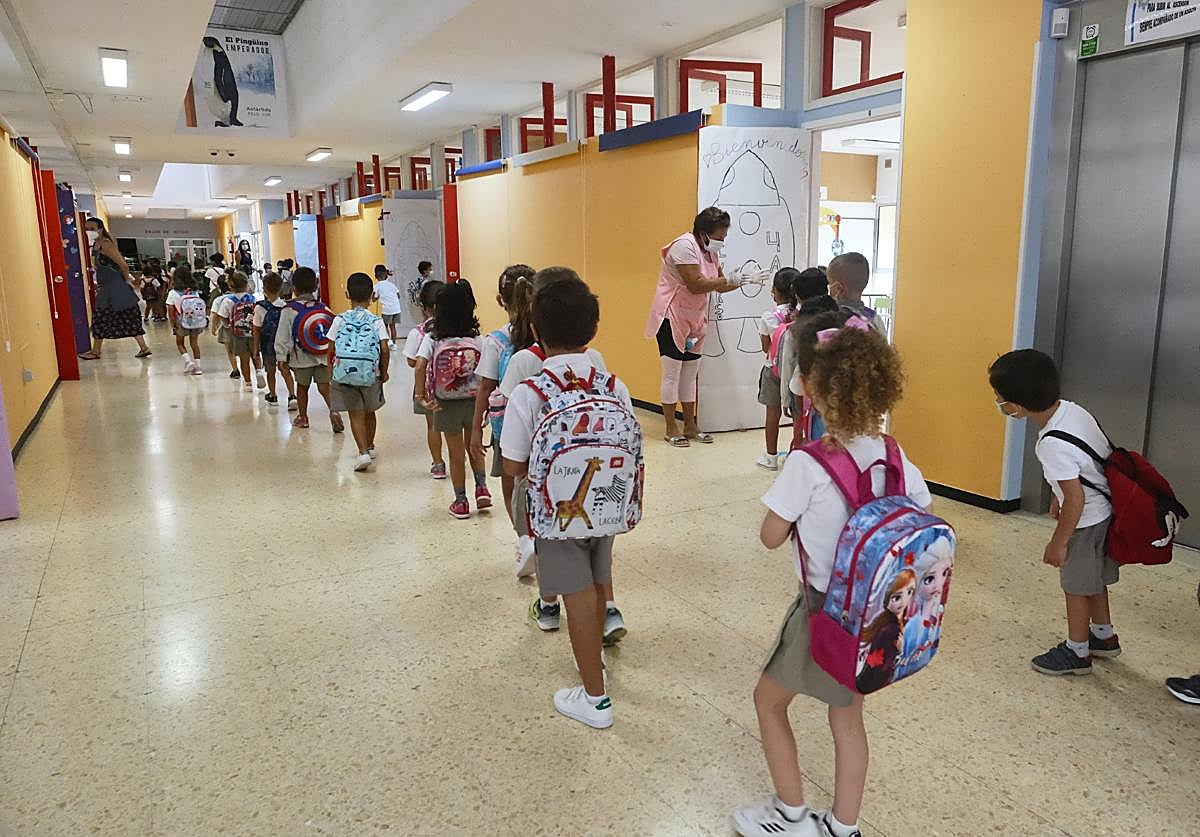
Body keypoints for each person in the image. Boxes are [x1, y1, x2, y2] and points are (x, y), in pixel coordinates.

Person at [734, 310, 930, 837]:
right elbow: (921, 512)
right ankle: (843, 827)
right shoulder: (895, 455)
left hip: (824, 612)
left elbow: (771, 536)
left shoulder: (809, 463)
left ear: (814, 393)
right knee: (847, 719)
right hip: (874, 614)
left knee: (768, 702)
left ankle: (790, 815)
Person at [502, 267, 638, 730]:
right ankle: (592, 665)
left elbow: (514, 466)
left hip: (556, 516)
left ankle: (595, 698)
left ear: (535, 330)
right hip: (608, 505)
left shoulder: (530, 393)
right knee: (598, 584)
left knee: (576, 596)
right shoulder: (614, 385)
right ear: (593, 329)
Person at [989, 349, 1121, 676]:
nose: (999, 402)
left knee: (1075, 586)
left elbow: (1076, 498)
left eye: (1000, 397)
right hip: (1103, 512)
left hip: (1085, 522)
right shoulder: (1072, 411)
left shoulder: (1050, 443)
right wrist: (1058, 496)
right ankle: (1103, 636)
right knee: (1092, 579)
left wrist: (1059, 542)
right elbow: (1084, 466)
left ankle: (1077, 651)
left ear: (1017, 406)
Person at [644, 207, 744, 447]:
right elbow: (696, 284)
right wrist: (727, 279)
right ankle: (671, 428)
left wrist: (742, 280)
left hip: (696, 318)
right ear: (703, 233)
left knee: (690, 374)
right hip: (672, 316)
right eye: (719, 237)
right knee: (672, 374)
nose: (722, 242)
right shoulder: (684, 246)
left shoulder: (710, 252)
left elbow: (719, 285)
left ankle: (690, 425)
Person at [413, 280, 490, 518]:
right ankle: (482, 488)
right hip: (474, 401)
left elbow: (419, 366)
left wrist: (420, 395)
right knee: (474, 446)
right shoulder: (477, 338)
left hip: (445, 403)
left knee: (456, 455)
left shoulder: (433, 337)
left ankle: (461, 501)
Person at [470, 264, 536, 523]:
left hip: (508, 425)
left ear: (500, 300)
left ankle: (522, 532)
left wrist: (476, 430)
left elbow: (485, 387)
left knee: (511, 484)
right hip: (547, 422)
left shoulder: (496, 340)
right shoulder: (547, 335)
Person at [328, 272, 390, 472]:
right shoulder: (376, 321)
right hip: (371, 374)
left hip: (345, 373)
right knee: (370, 411)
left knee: (355, 414)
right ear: (372, 296)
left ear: (347, 294)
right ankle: (370, 446)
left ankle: (362, 452)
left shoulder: (339, 320)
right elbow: (385, 348)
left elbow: (330, 348)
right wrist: (384, 372)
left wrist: (331, 371)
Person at [276, 267, 343, 432]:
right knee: (324, 387)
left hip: (301, 358)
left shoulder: (289, 310)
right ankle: (334, 411)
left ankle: (303, 417)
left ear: (294, 287)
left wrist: (281, 357)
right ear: (315, 286)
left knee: (302, 387)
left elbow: (283, 337)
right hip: (322, 355)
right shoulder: (323, 308)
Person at [77, 217, 152, 360]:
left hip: (114, 288)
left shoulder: (106, 244)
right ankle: (143, 347)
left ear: (100, 229)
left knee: (102, 317)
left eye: (92, 229)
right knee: (123, 316)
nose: (88, 231)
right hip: (108, 287)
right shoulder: (96, 245)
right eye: (86, 229)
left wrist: (125, 279)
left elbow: (123, 264)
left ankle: (96, 351)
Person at [755, 268, 800, 471]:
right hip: (795, 370)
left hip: (772, 370)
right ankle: (796, 453)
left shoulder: (768, 316)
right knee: (798, 414)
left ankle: (771, 457)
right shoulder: (801, 314)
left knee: (772, 414)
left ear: (775, 290)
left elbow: (766, 347)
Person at [403, 280, 446, 479]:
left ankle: (438, 464)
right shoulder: (457, 329)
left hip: (428, 388)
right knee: (457, 426)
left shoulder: (419, 332)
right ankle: (460, 456)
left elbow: (412, 362)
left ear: (423, 307)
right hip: (454, 385)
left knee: (433, 425)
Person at [253, 272, 296, 410]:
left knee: (270, 371)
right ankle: (292, 396)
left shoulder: (260, 308)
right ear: (281, 288)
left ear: (264, 289)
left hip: (268, 345)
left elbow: (256, 329)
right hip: (283, 344)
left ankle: (273, 395)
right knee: (285, 369)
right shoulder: (287, 307)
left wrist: (255, 349)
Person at [213, 272, 261, 392]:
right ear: (246, 285)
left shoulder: (228, 300)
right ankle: (259, 371)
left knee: (244, 359)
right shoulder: (252, 298)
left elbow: (222, 315)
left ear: (230, 286)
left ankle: (248, 383)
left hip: (237, 334)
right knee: (255, 354)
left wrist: (228, 324)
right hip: (252, 332)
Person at [826, 253, 884, 335]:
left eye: (830, 283)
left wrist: (830, 300)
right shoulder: (875, 319)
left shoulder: (832, 319)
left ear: (837, 288)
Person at [166, 265, 205, 375]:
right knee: (194, 343)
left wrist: (172, 323)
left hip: (181, 320)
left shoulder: (173, 293)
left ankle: (188, 361)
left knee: (180, 343)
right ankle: (198, 367)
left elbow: (170, 308)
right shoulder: (194, 292)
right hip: (195, 320)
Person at [371, 264, 403, 348]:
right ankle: (394, 344)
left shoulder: (377, 286)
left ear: (375, 276)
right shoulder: (392, 285)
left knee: (385, 326)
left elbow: (373, 299)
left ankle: (388, 342)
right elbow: (398, 295)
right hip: (396, 308)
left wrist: (375, 295)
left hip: (387, 310)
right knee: (393, 326)